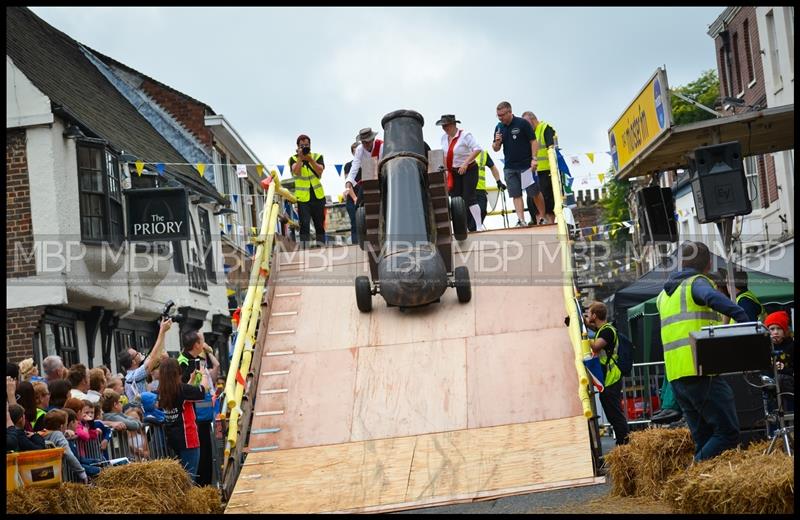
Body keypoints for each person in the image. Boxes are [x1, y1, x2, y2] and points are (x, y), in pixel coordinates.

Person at [656, 241, 750, 462]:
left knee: (705, 437)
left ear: (680, 263)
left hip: (677, 377)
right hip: (700, 369)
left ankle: (698, 486)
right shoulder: (696, 283)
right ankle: (690, 477)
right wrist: (742, 317)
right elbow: (712, 297)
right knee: (727, 434)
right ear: (708, 264)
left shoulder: (664, 295)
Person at [491, 101, 545, 226]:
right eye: (498, 115)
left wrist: (534, 158)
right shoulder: (499, 127)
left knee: (534, 193)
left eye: (503, 114)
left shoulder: (522, 123)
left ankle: (542, 217)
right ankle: (521, 220)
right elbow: (495, 148)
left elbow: (533, 141)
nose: (500, 118)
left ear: (510, 112)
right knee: (516, 194)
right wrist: (497, 142)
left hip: (526, 166)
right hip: (510, 167)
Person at [584, 301, 630, 446]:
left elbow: (596, 346)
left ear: (595, 315)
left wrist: (583, 335)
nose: (587, 316)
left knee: (615, 413)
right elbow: (592, 327)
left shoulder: (607, 331)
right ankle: (622, 442)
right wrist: (583, 323)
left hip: (612, 377)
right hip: (608, 378)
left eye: (589, 313)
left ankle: (625, 443)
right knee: (611, 413)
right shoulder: (602, 329)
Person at [179, 329, 220, 486]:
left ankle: (206, 487)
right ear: (197, 344)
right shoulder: (184, 363)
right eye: (202, 341)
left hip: (202, 417)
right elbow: (190, 391)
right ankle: (202, 488)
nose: (205, 344)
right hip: (194, 419)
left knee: (206, 457)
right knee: (200, 459)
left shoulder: (197, 360)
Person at [158, 357, 209, 483]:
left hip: (173, 438)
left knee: (180, 478)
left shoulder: (163, 390)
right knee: (189, 478)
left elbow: (184, 397)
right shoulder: (181, 389)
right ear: (177, 372)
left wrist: (191, 380)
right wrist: (203, 375)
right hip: (188, 438)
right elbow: (202, 391)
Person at [436, 114, 485, 232]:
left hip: (469, 170)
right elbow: (445, 154)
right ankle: (463, 227)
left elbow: (477, 149)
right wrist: (446, 171)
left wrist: (465, 163)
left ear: (453, 124)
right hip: (454, 171)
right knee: (456, 199)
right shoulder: (443, 138)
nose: (444, 128)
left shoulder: (465, 135)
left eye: (446, 125)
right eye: (443, 126)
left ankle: (479, 225)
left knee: (469, 197)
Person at [119, 317, 172, 403]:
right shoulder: (133, 376)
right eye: (136, 353)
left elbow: (156, 355)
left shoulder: (135, 373)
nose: (139, 353)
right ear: (133, 361)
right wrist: (162, 331)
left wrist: (164, 332)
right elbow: (153, 358)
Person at [289, 134, 326, 247]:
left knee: (319, 224)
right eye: (302, 145)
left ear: (310, 145)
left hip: (318, 196)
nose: (304, 147)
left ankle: (321, 246)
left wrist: (309, 159)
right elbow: (296, 171)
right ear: (297, 147)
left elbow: (320, 171)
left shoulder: (317, 156)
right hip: (303, 198)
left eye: (306, 145)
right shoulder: (293, 159)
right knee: (304, 224)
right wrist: (300, 157)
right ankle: (305, 248)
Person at [521, 111, 557, 224]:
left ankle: (549, 223)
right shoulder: (526, 132)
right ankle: (536, 221)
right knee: (531, 199)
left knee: (548, 199)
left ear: (532, 119)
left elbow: (551, 147)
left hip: (545, 170)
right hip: (529, 170)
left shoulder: (545, 128)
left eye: (526, 123)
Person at [41, 409, 89, 483]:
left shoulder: (41, 434)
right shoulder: (58, 435)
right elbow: (68, 454)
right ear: (61, 426)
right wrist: (81, 472)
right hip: (57, 474)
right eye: (66, 425)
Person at [345, 128, 384, 205]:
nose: (365, 145)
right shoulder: (359, 149)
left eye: (367, 142)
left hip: (382, 176)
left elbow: (384, 164)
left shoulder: (382, 146)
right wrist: (348, 185)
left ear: (373, 139)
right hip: (368, 178)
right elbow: (354, 168)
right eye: (363, 142)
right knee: (359, 203)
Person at [469, 149, 506, 231]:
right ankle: (473, 230)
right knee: (468, 214)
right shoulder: (461, 152)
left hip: (481, 189)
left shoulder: (483, 153)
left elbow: (493, 167)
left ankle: (474, 229)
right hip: (467, 189)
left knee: (482, 210)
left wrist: (498, 181)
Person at [764, 310, 794, 413]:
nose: (775, 332)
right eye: (772, 329)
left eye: (779, 328)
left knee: (782, 379)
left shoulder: (791, 345)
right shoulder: (764, 347)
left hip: (788, 383)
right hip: (770, 384)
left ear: (785, 331)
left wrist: (785, 368)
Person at [343, 141, 360, 244]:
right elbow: (348, 183)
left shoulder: (367, 162)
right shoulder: (348, 166)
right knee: (355, 223)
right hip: (352, 197)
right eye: (356, 151)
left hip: (365, 196)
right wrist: (354, 198)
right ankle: (355, 244)